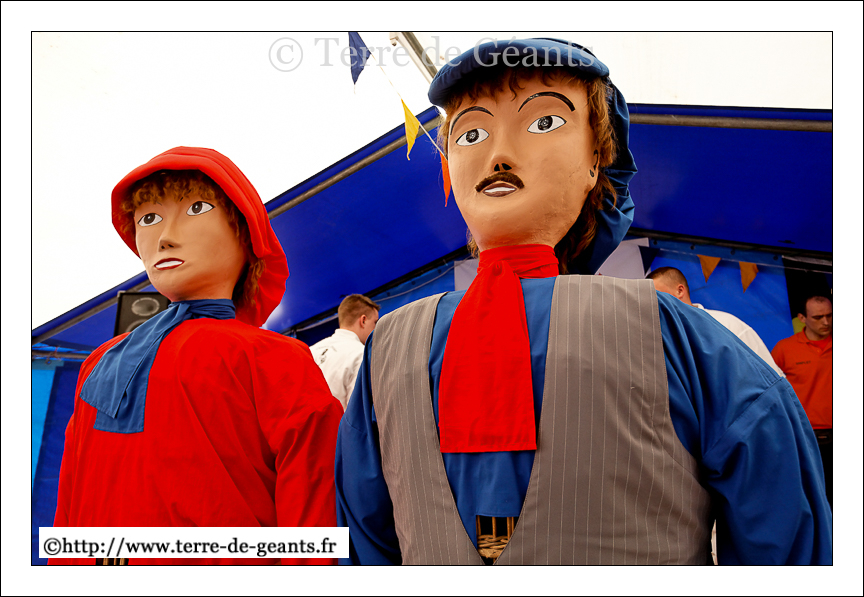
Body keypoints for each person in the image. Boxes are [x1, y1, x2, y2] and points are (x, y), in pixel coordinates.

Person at [334, 39, 831, 565]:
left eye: (544, 122)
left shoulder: (676, 335)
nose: (498, 155)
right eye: (471, 134)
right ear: (449, 169)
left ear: (597, 160)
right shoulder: (387, 349)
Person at [51, 147, 343, 565]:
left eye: (196, 208)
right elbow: (71, 500)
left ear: (246, 235)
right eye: (148, 218)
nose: (164, 236)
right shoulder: (99, 363)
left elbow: (313, 507)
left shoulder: (274, 359)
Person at [647, 266, 784, 376]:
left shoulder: (726, 324)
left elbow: (772, 378)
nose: (653, 303)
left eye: (657, 296)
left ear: (680, 291)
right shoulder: (658, 341)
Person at [772, 295, 833, 507]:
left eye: (830, 315)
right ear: (802, 318)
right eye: (818, 317)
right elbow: (770, 392)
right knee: (808, 498)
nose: (826, 322)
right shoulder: (784, 349)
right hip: (802, 435)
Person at [310, 294, 380, 410]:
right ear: (363, 320)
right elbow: (357, 412)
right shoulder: (360, 354)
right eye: (375, 323)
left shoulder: (310, 351)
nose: (376, 329)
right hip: (338, 421)